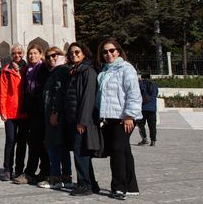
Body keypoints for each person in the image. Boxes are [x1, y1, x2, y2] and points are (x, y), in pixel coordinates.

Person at [96, 40, 143, 200]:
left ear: (118, 51)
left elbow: (134, 93)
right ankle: (131, 185)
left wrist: (130, 114)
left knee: (116, 150)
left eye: (111, 51)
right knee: (124, 150)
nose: (108, 54)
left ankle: (119, 187)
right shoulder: (104, 72)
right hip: (110, 117)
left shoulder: (126, 69)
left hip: (124, 118)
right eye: (105, 52)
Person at [64, 42, 100, 197]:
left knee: (80, 153)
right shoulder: (75, 71)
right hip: (74, 119)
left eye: (77, 52)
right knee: (81, 152)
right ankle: (92, 183)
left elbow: (87, 98)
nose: (74, 55)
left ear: (84, 53)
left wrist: (82, 121)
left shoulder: (88, 71)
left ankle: (84, 184)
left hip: (82, 121)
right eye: (71, 53)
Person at [38, 46, 73, 190]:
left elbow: (59, 92)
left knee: (52, 143)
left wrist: (55, 111)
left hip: (55, 114)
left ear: (60, 55)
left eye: (54, 55)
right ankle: (66, 177)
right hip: (56, 113)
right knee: (61, 145)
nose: (51, 59)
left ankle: (55, 178)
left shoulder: (61, 70)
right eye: (48, 57)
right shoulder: (58, 70)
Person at [15, 43, 50, 184]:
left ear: (41, 55)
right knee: (38, 142)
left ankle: (30, 172)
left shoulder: (44, 69)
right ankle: (44, 171)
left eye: (35, 53)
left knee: (35, 141)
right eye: (30, 53)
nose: (32, 56)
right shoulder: (28, 70)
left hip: (41, 111)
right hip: (31, 111)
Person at [0, 44, 28, 182]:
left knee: (22, 142)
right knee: (10, 140)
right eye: (14, 53)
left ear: (23, 53)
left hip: (24, 111)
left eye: (19, 52)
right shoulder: (7, 71)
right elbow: (3, 92)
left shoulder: (28, 70)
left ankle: (19, 169)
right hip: (10, 111)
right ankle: (7, 169)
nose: (17, 55)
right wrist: (2, 110)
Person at [136, 73, 158, 147]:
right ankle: (153, 140)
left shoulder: (140, 85)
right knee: (152, 125)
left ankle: (144, 138)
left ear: (142, 78)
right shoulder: (155, 86)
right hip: (153, 108)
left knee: (141, 124)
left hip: (143, 107)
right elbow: (156, 94)